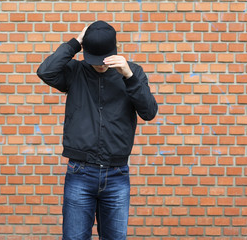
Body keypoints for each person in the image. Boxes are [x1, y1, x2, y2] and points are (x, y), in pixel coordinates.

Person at [37, 20, 158, 240]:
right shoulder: (75, 71)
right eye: (95, 60)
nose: (100, 65)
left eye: (104, 60)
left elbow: (149, 112)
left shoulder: (133, 73)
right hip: (80, 172)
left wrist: (129, 77)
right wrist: (75, 43)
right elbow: (45, 71)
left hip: (117, 174)